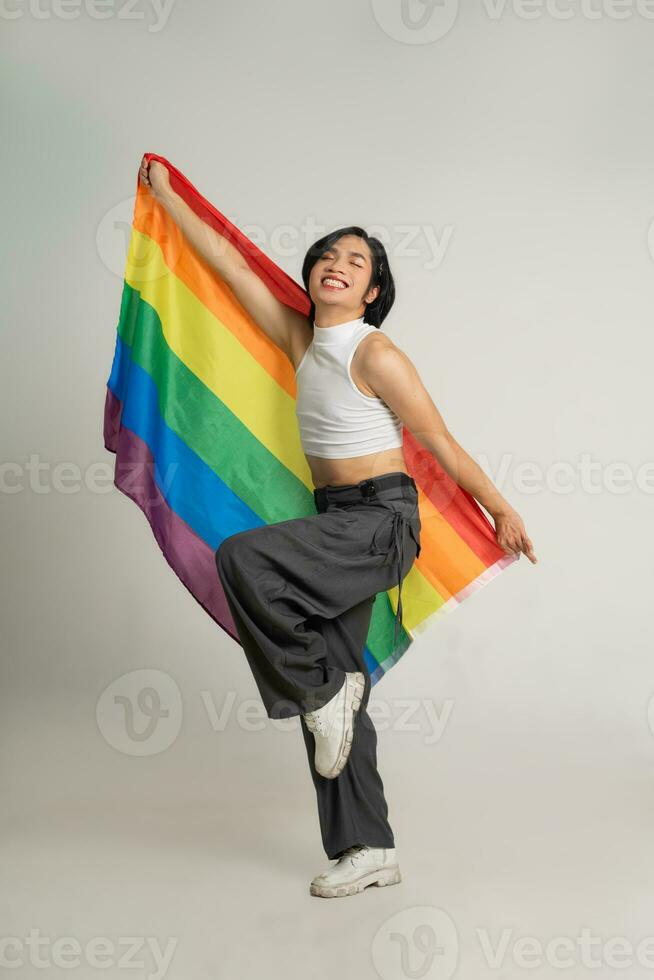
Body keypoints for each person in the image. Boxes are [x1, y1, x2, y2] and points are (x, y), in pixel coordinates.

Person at [138, 155, 537, 899]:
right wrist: (168, 196)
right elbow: (226, 264)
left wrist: (500, 507)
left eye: (356, 261)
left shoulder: (373, 352)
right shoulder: (301, 340)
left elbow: (440, 443)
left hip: (382, 524)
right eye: (328, 254)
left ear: (373, 289)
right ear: (313, 273)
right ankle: (368, 847)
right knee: (337, 694)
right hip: (339, 525)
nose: (337, 264)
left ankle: (322, 694)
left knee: (244, 562)